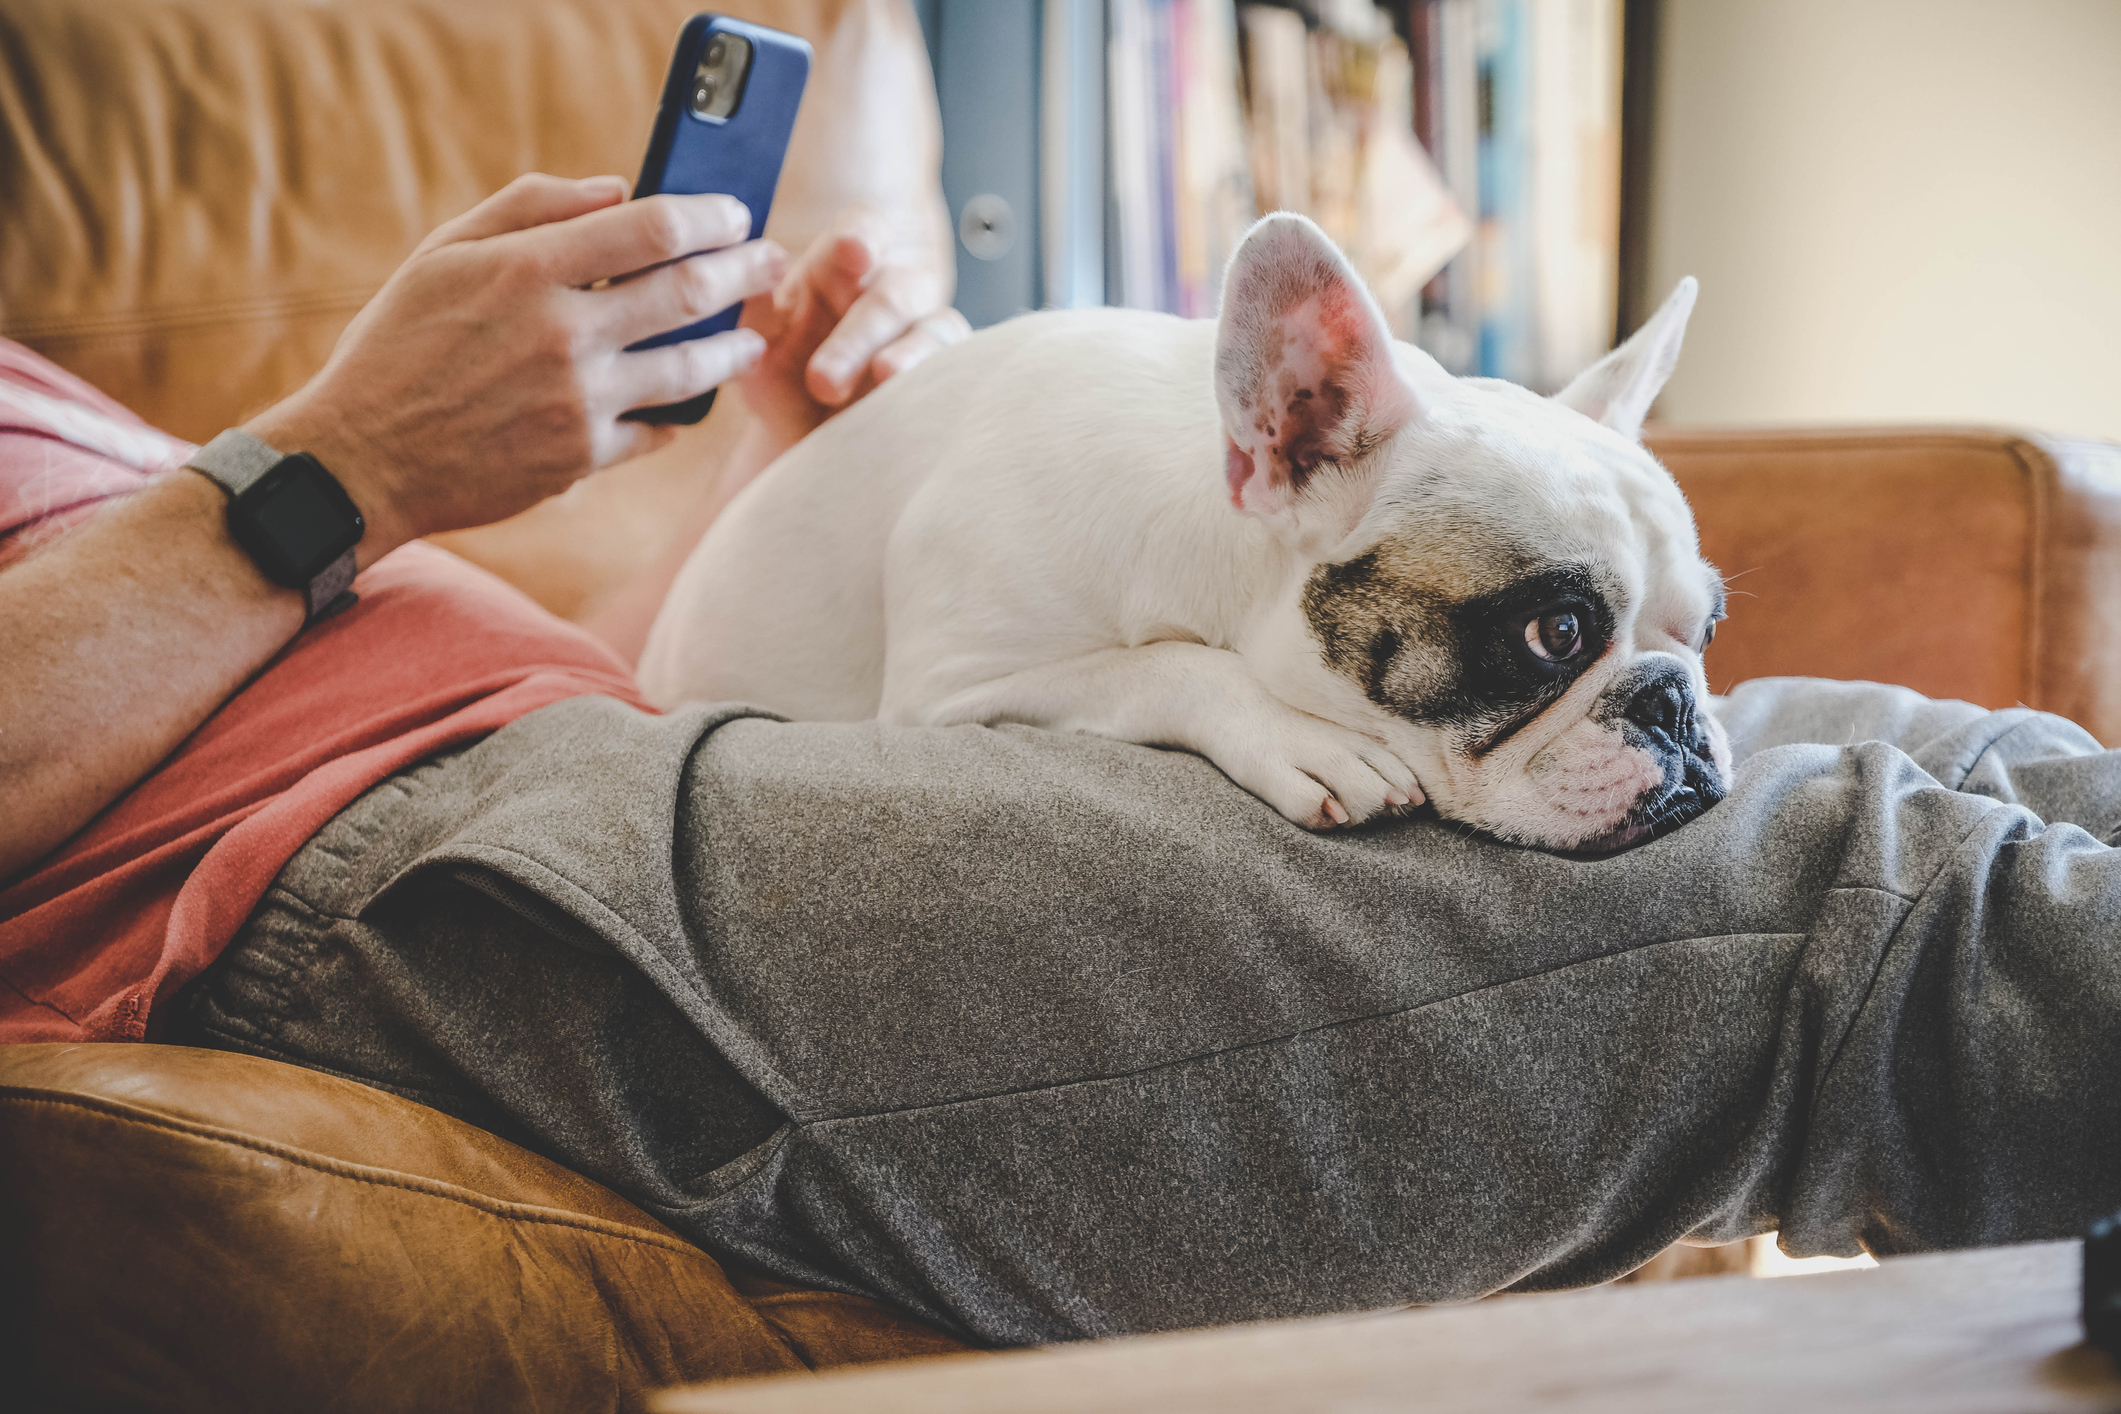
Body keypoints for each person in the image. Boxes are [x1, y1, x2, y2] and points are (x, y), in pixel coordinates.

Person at [5, 176, 2121, 1351]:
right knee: (1832, 905)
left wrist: (778, 449)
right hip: (369, 880)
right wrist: (336, 458)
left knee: (1929, 763)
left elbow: (510, 610)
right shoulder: (281, 519)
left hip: (594, 724)